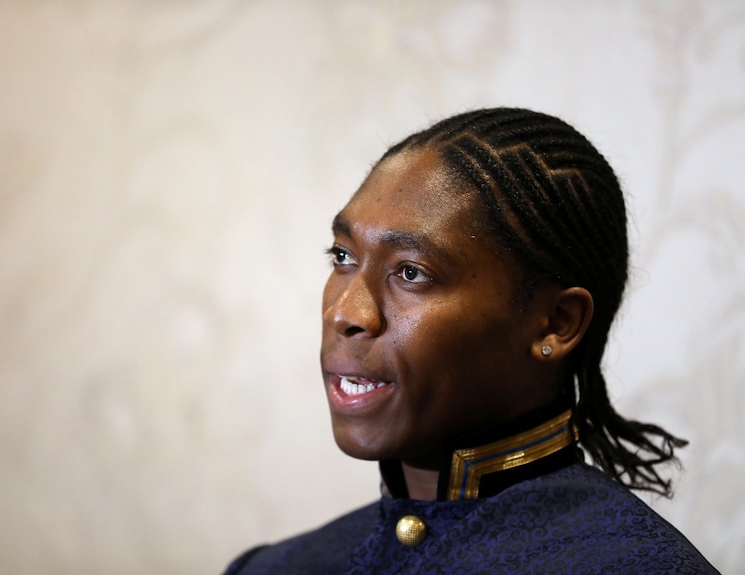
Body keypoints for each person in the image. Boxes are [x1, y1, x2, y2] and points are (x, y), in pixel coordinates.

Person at [223, 107, 719, 574]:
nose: (345, 312)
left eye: (411, 272)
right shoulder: (276, 567)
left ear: (556, 323)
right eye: (343, 256)